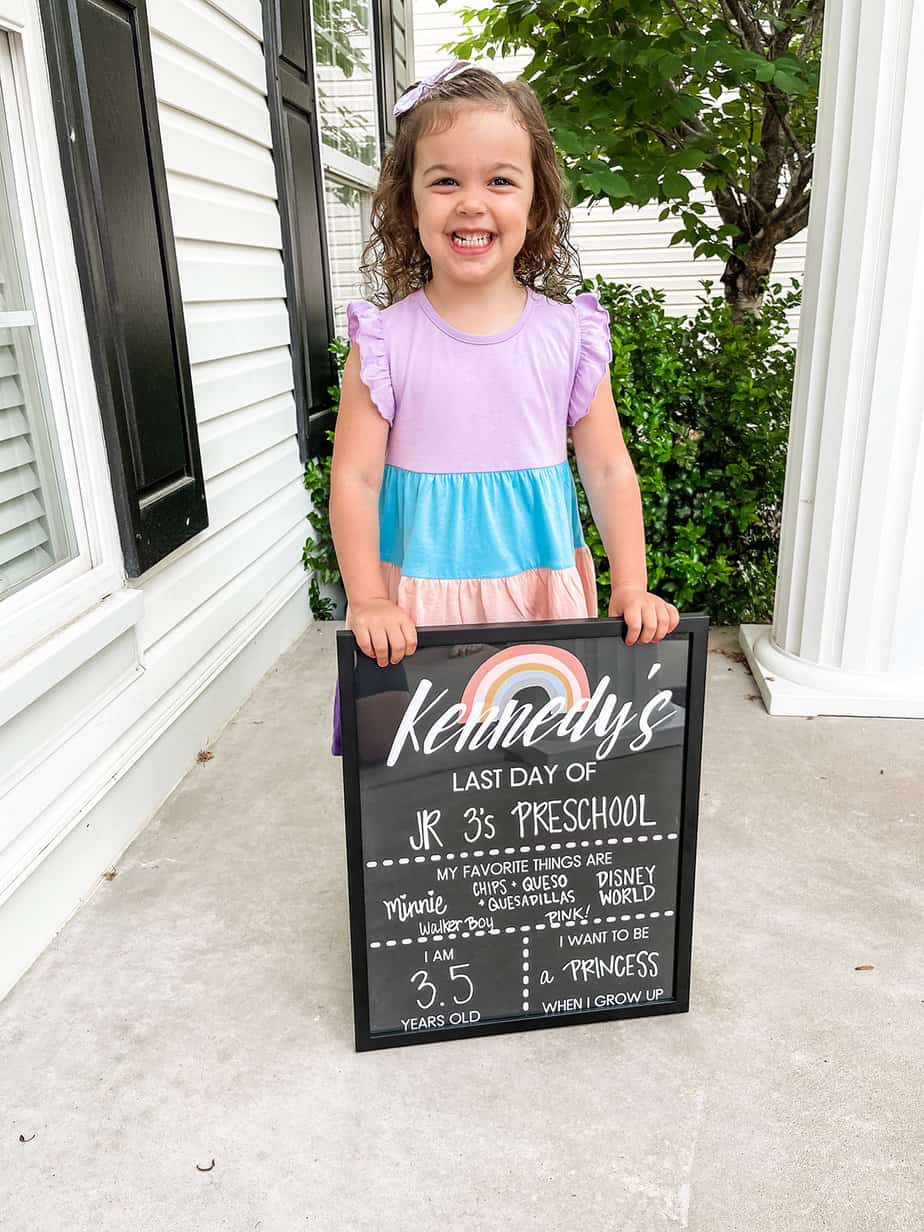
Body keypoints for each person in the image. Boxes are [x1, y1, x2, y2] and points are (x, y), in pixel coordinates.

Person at [328, 59, 680, 757]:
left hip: (538, 589)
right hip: (419, 597)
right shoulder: (385, 343)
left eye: (499, 180)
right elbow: (356, 479)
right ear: (409, 204)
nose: (471, 202)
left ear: (536, 205)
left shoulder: (569, 336)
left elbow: (608, 470)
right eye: (445, 180)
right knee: (426, 765)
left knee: (537, 761)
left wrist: (632, 586)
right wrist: (368, 599)